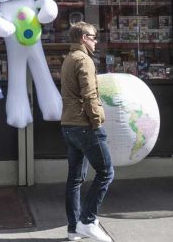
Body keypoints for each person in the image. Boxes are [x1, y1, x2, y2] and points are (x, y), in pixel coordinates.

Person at [60, 22, 113, 242]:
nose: (95, 40)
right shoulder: (84, 60)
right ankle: (87, 220)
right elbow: (90, 94)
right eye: (92, 37)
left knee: (74, 179)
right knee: (106, 172)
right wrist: (98, 120)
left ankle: (73, 229)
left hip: (69, 125)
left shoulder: (69, 58)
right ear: (83, 37)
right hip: (84, 125)